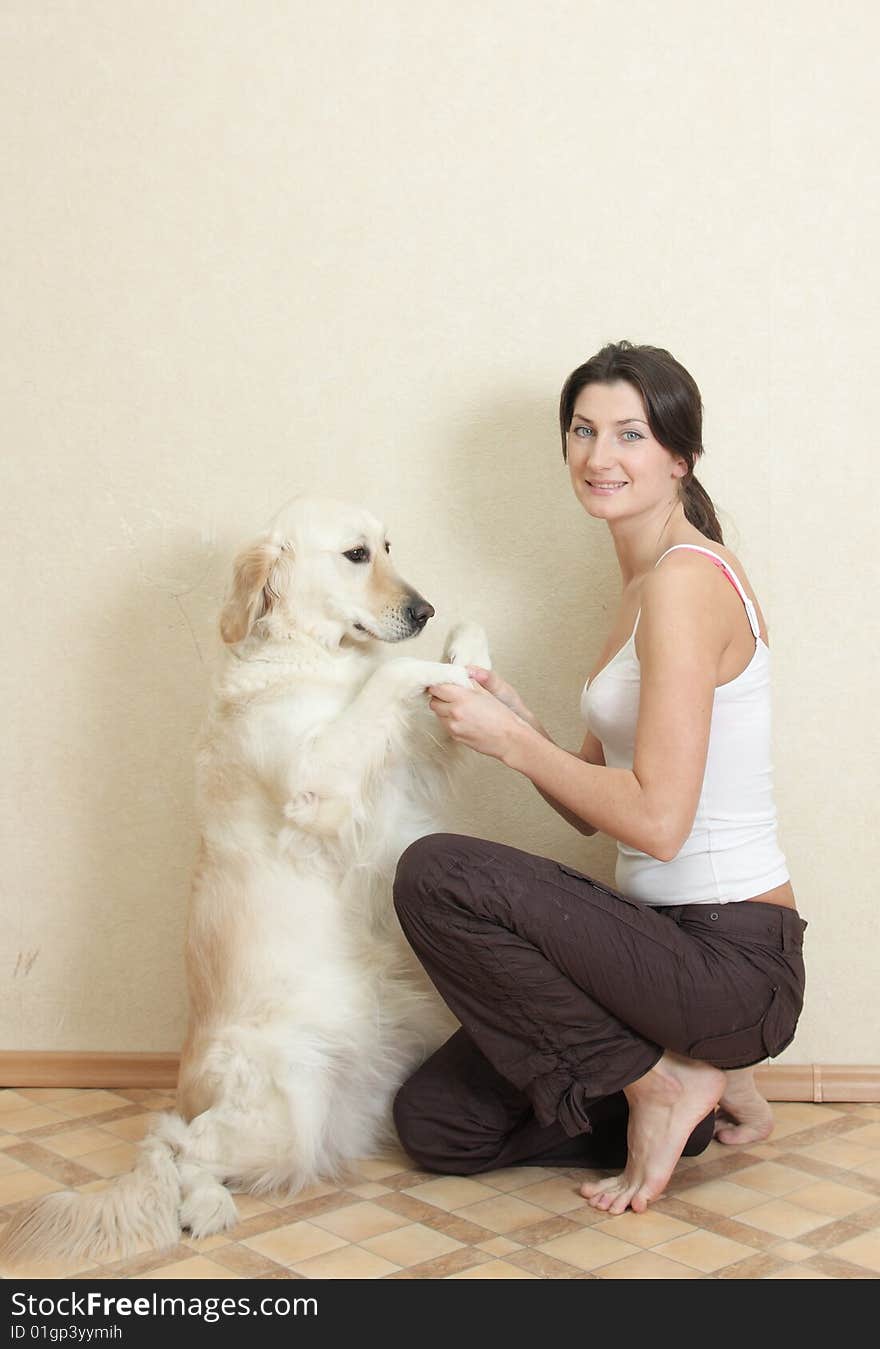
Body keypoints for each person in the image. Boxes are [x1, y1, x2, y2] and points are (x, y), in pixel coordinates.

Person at [391, 340, 807, 1216]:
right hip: (658, 957)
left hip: (729, 957)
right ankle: (693, 1083)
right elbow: (596, 802)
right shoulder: (640, 585)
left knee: (437, 873)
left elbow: (656, 822)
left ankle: (667, 1079)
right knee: (438, 1125)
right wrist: (523, 718)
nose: (598, 456)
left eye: (629, 434)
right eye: (583, 431)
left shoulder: (685, 584)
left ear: (680, 455)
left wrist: (509, 743)